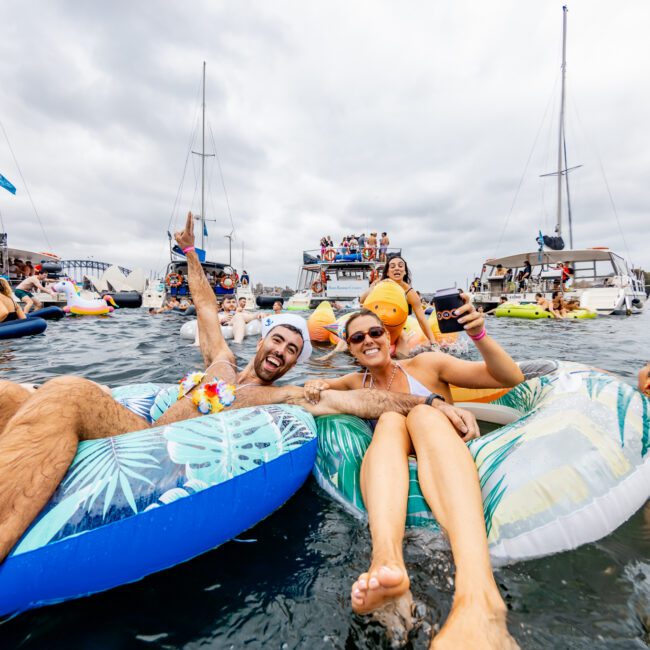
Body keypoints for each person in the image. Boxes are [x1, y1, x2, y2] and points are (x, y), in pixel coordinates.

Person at [0, 212, 476, 576]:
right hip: (129, 421)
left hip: (143, 442)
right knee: (6, 394)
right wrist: (189, 253)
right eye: (279, 341)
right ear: (263, 339)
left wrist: (428, 403)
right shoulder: (222, 363)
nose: (284, 352)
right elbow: (206, 306)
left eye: (294, 350)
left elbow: (352, 401)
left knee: (66, 391)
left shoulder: (280, 397)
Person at [303, 306, 523, 648]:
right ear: (350, 347)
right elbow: (317, 389)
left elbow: (509, 378)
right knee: (390, 420)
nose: (368, 341)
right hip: (395, 461)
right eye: (358, 337)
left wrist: (478, 334)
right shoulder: (352, 383)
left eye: (375, 333)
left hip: (442, 449)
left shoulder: (428, 364)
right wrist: (318, 382)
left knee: (421, 412)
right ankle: (388, 564)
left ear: (389, 338)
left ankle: (480, 598)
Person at [360, 255, 438, 350]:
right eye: (392, 266)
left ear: (404, 272)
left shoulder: (409, 293)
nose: (397, 268)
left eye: (400, 266)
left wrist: (433, 342)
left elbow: (422, 319)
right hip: (374, 323)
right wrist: (373, 287)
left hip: (395, 327)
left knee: (403, 337)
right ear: (388, 272)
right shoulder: (379, 284)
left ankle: (400, 362)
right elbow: (362, 300)